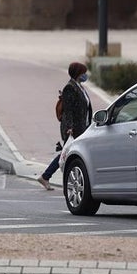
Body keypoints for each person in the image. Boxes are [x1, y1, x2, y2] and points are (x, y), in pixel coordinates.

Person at [37, 61, 93, 190]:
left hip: (82, 126)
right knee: (68, 153)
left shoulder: (80, 87)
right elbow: (68, 110)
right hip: (73, 128)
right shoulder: (70, 87)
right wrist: (70, 128)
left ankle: (45, 176)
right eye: (83, 72)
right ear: (78, 73)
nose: (85, 75)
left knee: (67, 152)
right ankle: (46, 176)